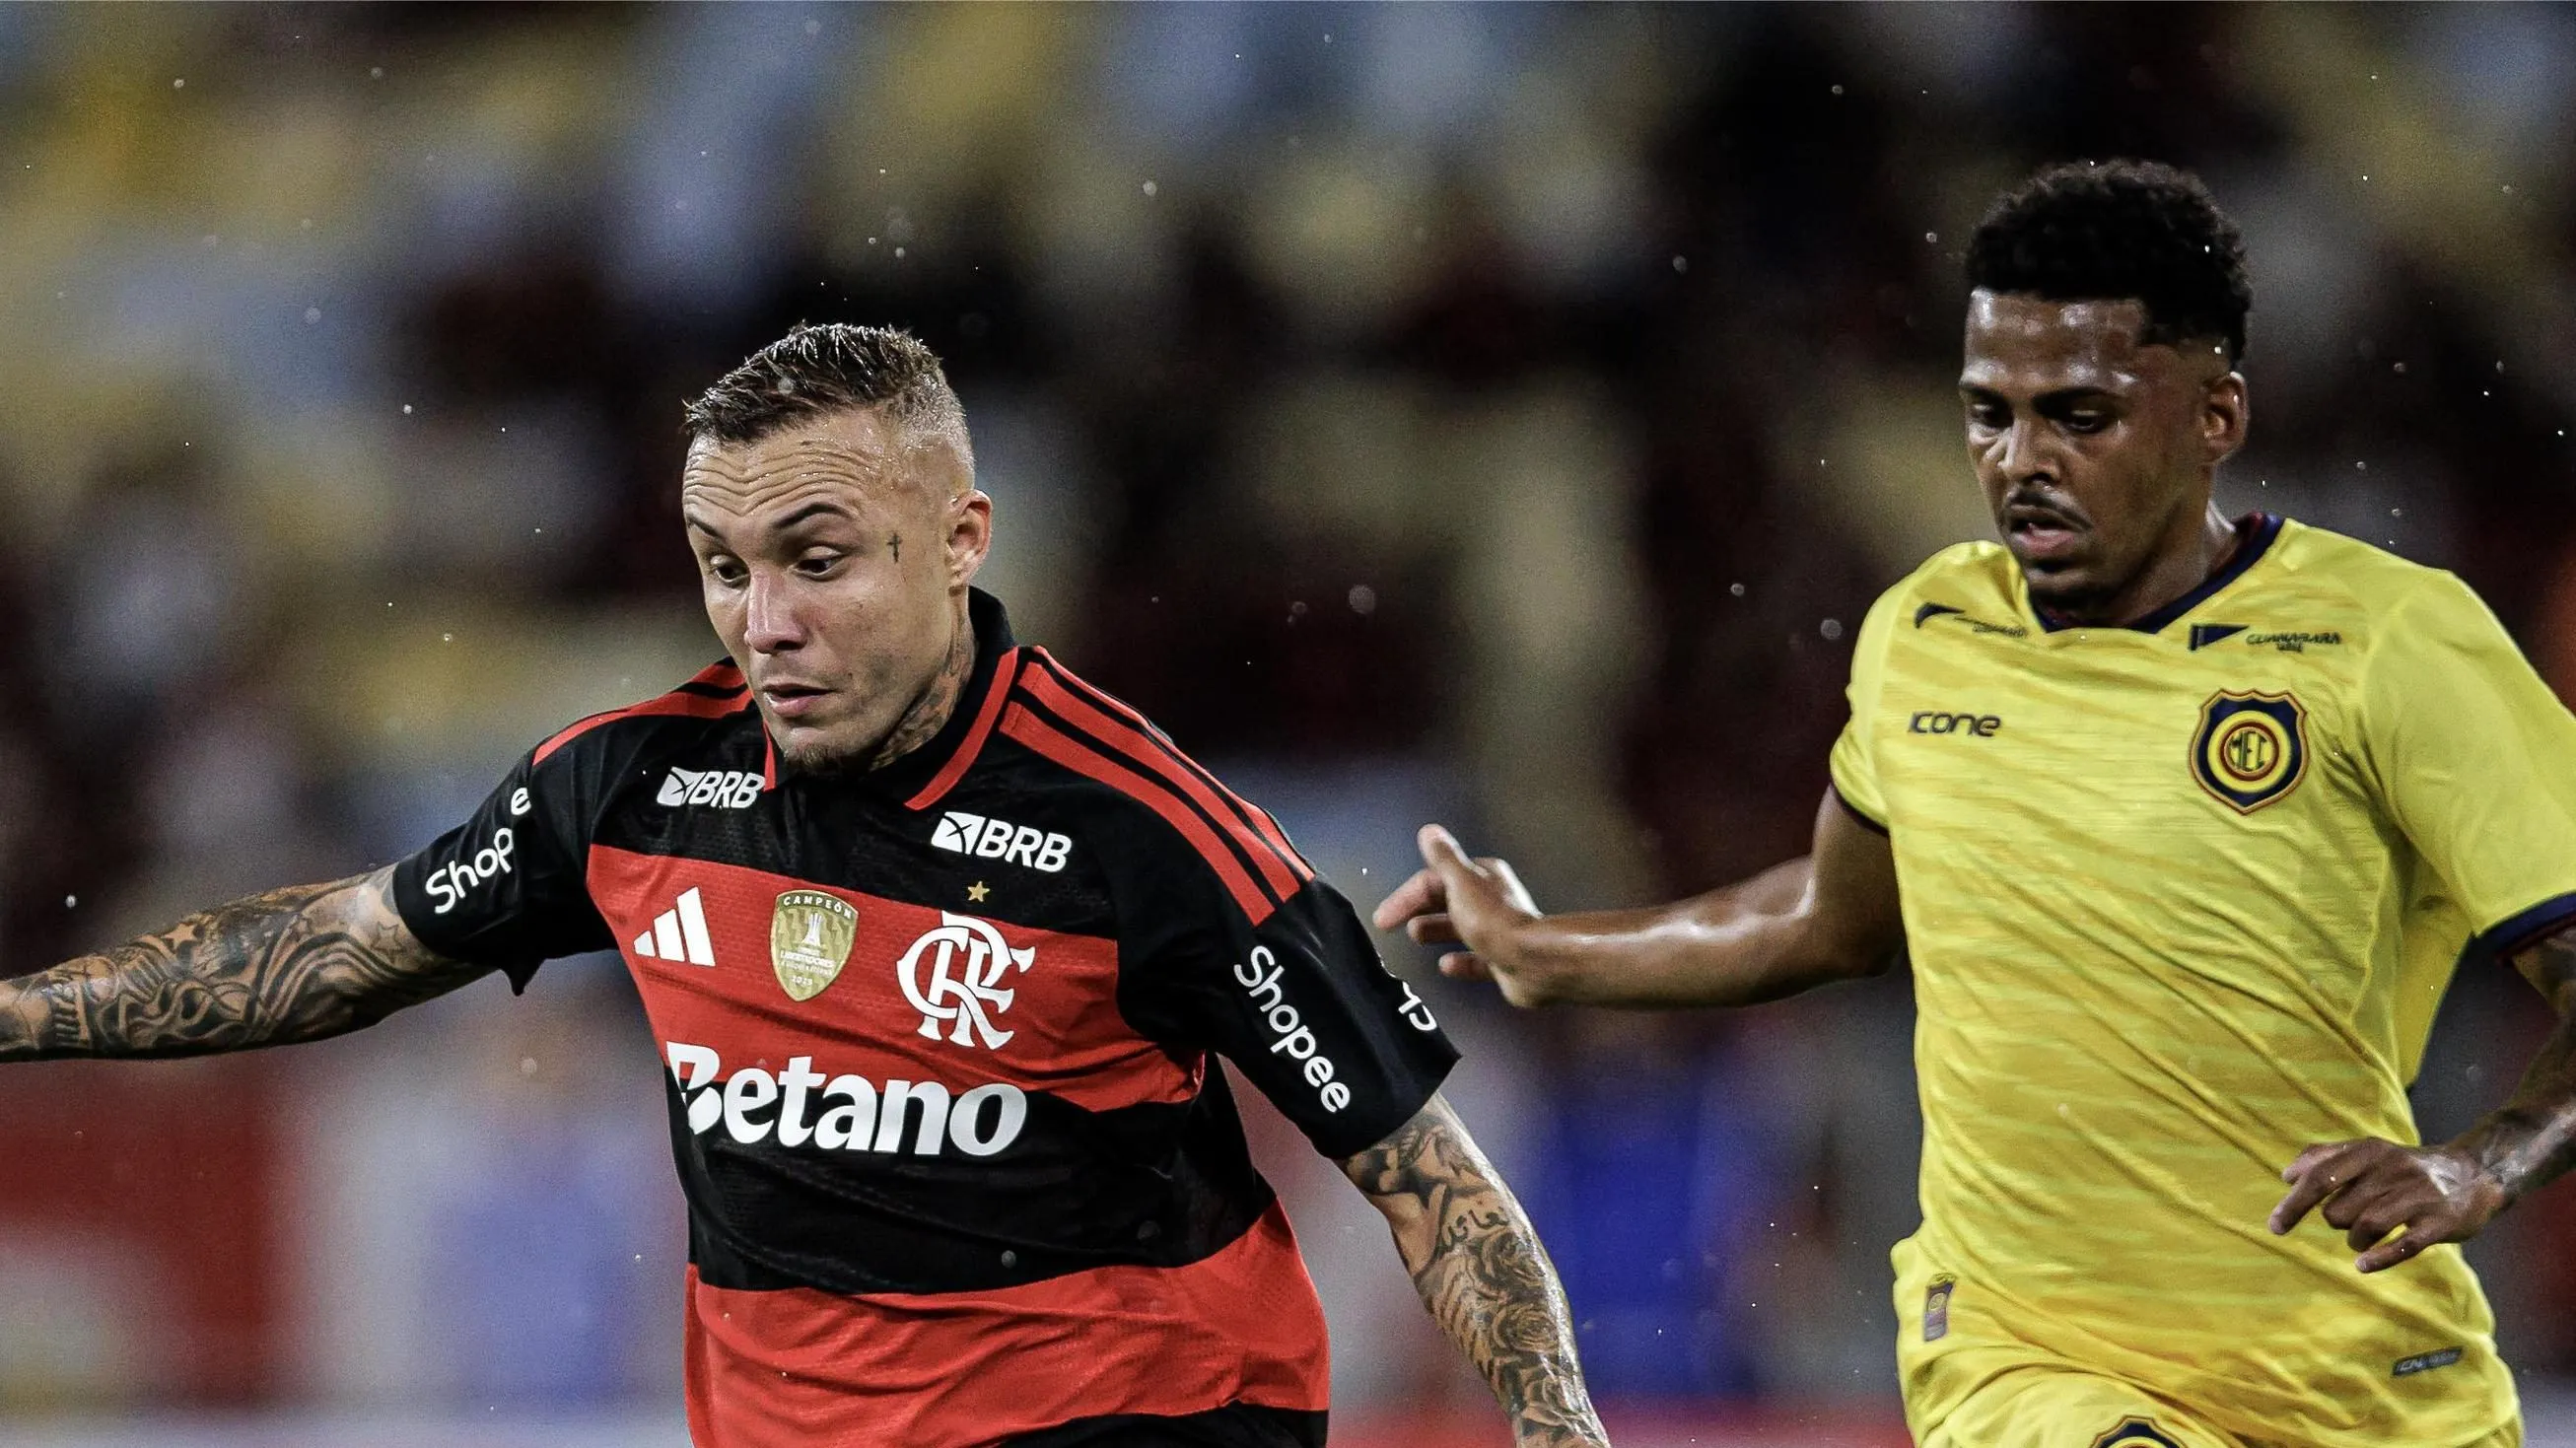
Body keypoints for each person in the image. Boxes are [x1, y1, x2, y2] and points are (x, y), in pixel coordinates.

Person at [0, 324, 1608, 1448]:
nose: (762, 620)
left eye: (818, 560)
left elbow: (1429, 1178)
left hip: (1137, 1419)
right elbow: (347, 945)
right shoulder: (627, 787)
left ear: (960, 538)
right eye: (723, 566)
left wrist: (1557, 1431)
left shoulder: (1150, 835)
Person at [1374, 160, 2576, 1448]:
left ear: (2217, 416)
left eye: (2079, 416)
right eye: (1988, 414)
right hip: (2023, 1357)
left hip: (2360, 1376)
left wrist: (2480, 1161)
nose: (2022, 464)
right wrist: (1549, 952)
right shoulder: (1927, 631)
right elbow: (1833, 916)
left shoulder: (2394, 643)